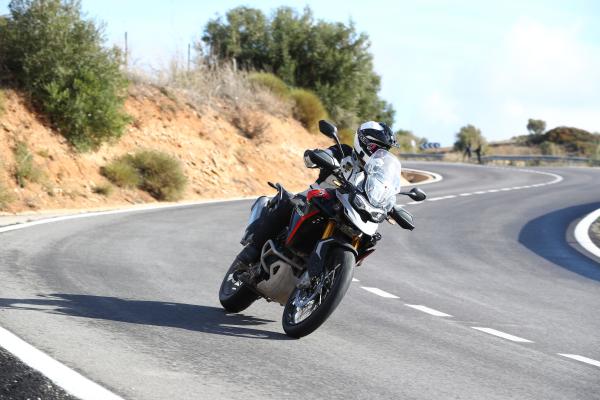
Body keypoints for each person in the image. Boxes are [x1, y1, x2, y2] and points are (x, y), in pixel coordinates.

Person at [231, 121, 399, 277]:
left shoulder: (375, 175)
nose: (380, 153)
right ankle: (250, 252)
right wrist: (317, 156)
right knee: (288, 203)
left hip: (349, 211)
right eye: (377, 147)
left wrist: (391, 205)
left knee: (367, 240)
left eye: (384, 150)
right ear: (363, 140)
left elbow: (382, 192)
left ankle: (330, 275)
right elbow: (312, 158)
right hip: (316, 199)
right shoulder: (344, 152)